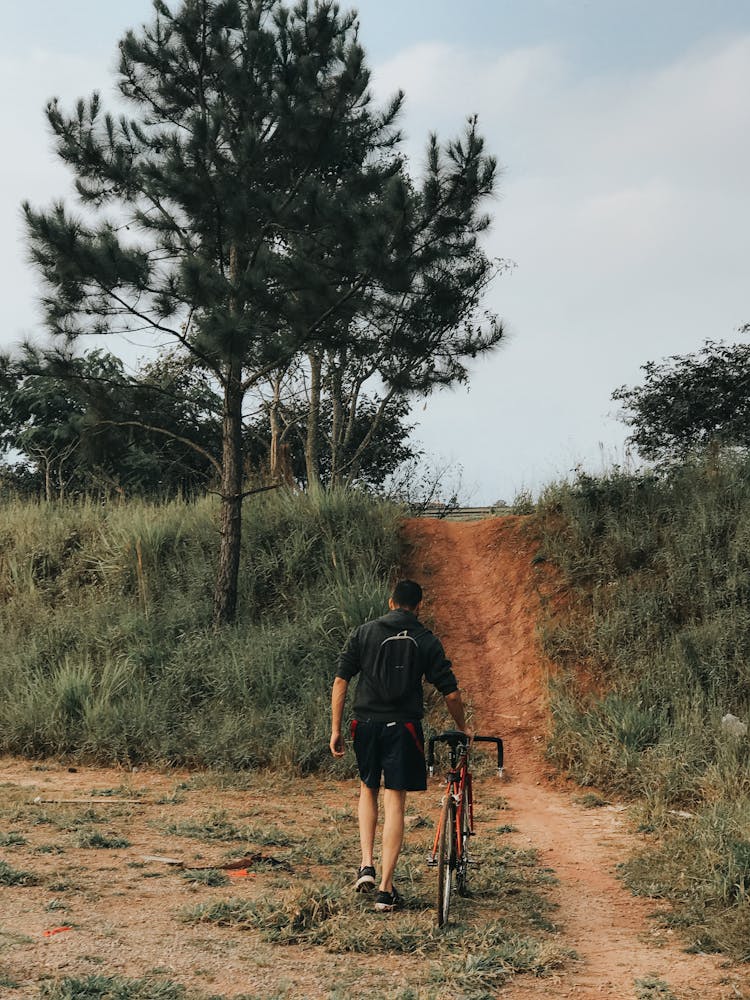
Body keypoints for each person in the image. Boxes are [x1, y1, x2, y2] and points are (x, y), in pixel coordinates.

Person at [330, 579, 469, 912]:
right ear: (418, 606)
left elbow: (340, 680)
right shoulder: (425, 640)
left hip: (363, 724)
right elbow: (450, 693)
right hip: (403, 727)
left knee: (367, 789)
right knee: (395, 802)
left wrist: (335, 728)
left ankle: (366, 864)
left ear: (390, 602)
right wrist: (463, 727)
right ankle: (385, 889)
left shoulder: (363, 632)